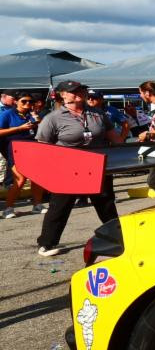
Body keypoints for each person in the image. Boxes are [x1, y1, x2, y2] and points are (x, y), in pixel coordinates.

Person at [34, 80, 122, 256]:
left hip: (97, 165)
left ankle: (120, 240)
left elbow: (116, 140)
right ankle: (46, 244)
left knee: (106, 205)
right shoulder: (53, 118)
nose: (78, 93)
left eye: (81, 90)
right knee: (60, 206)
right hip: (68, 168)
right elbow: (42, 147)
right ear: (63, 95)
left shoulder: (98, 114)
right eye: (73, 91)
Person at [0, 93, 46, 217]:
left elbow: (42, 128)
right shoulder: (7, 114)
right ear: (16, 101)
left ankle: (37, 205)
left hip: (33, 148)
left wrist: (35, 116)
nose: (27, 104)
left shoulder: (30, 114)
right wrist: (19, 128)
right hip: (15, 149)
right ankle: (8, 209)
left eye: (30, 102)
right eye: (24, 101)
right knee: (20, 180)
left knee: (37, 177)